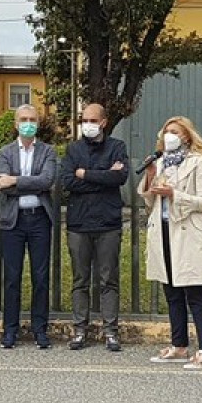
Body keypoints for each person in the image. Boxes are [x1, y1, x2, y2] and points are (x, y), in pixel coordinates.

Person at [141, 116, 202, 370]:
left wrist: (175, 194)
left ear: (186, 135)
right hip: (162, 231)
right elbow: (149, 202)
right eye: (165, 132)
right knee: (171, 292)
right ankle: (179, 345)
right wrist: (150, 178)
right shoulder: (160, 163)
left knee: (194, 292)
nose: (168, 136)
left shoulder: (199, 164)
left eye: (174, 131)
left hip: (186, 232)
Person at [61, 102, 129, 352]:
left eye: (92, 120)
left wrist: (85, 174)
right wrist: (101, 176)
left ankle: (110, 330)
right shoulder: (73, 149)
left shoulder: (117, 147)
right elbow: (68, 181)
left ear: (103, 122)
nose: (87, 125)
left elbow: (119, 177)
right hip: (79, 224)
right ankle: (80, 329)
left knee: (108, 278)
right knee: (80, 279)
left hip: (108, 223)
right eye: (84, 120)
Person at [0, 104, 59, 349]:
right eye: (23, 119)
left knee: (40, 277)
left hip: (39, 219)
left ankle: (39, 329)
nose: (28, 123)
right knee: (12, 277)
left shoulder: (48, 151)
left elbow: (47, 180)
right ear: (16, 123)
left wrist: (16, 180)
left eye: (32, 119)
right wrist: (29, 183)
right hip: (13, 220)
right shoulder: (5, 152)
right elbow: (3, 185)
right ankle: (10, 330)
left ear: (38, 123)